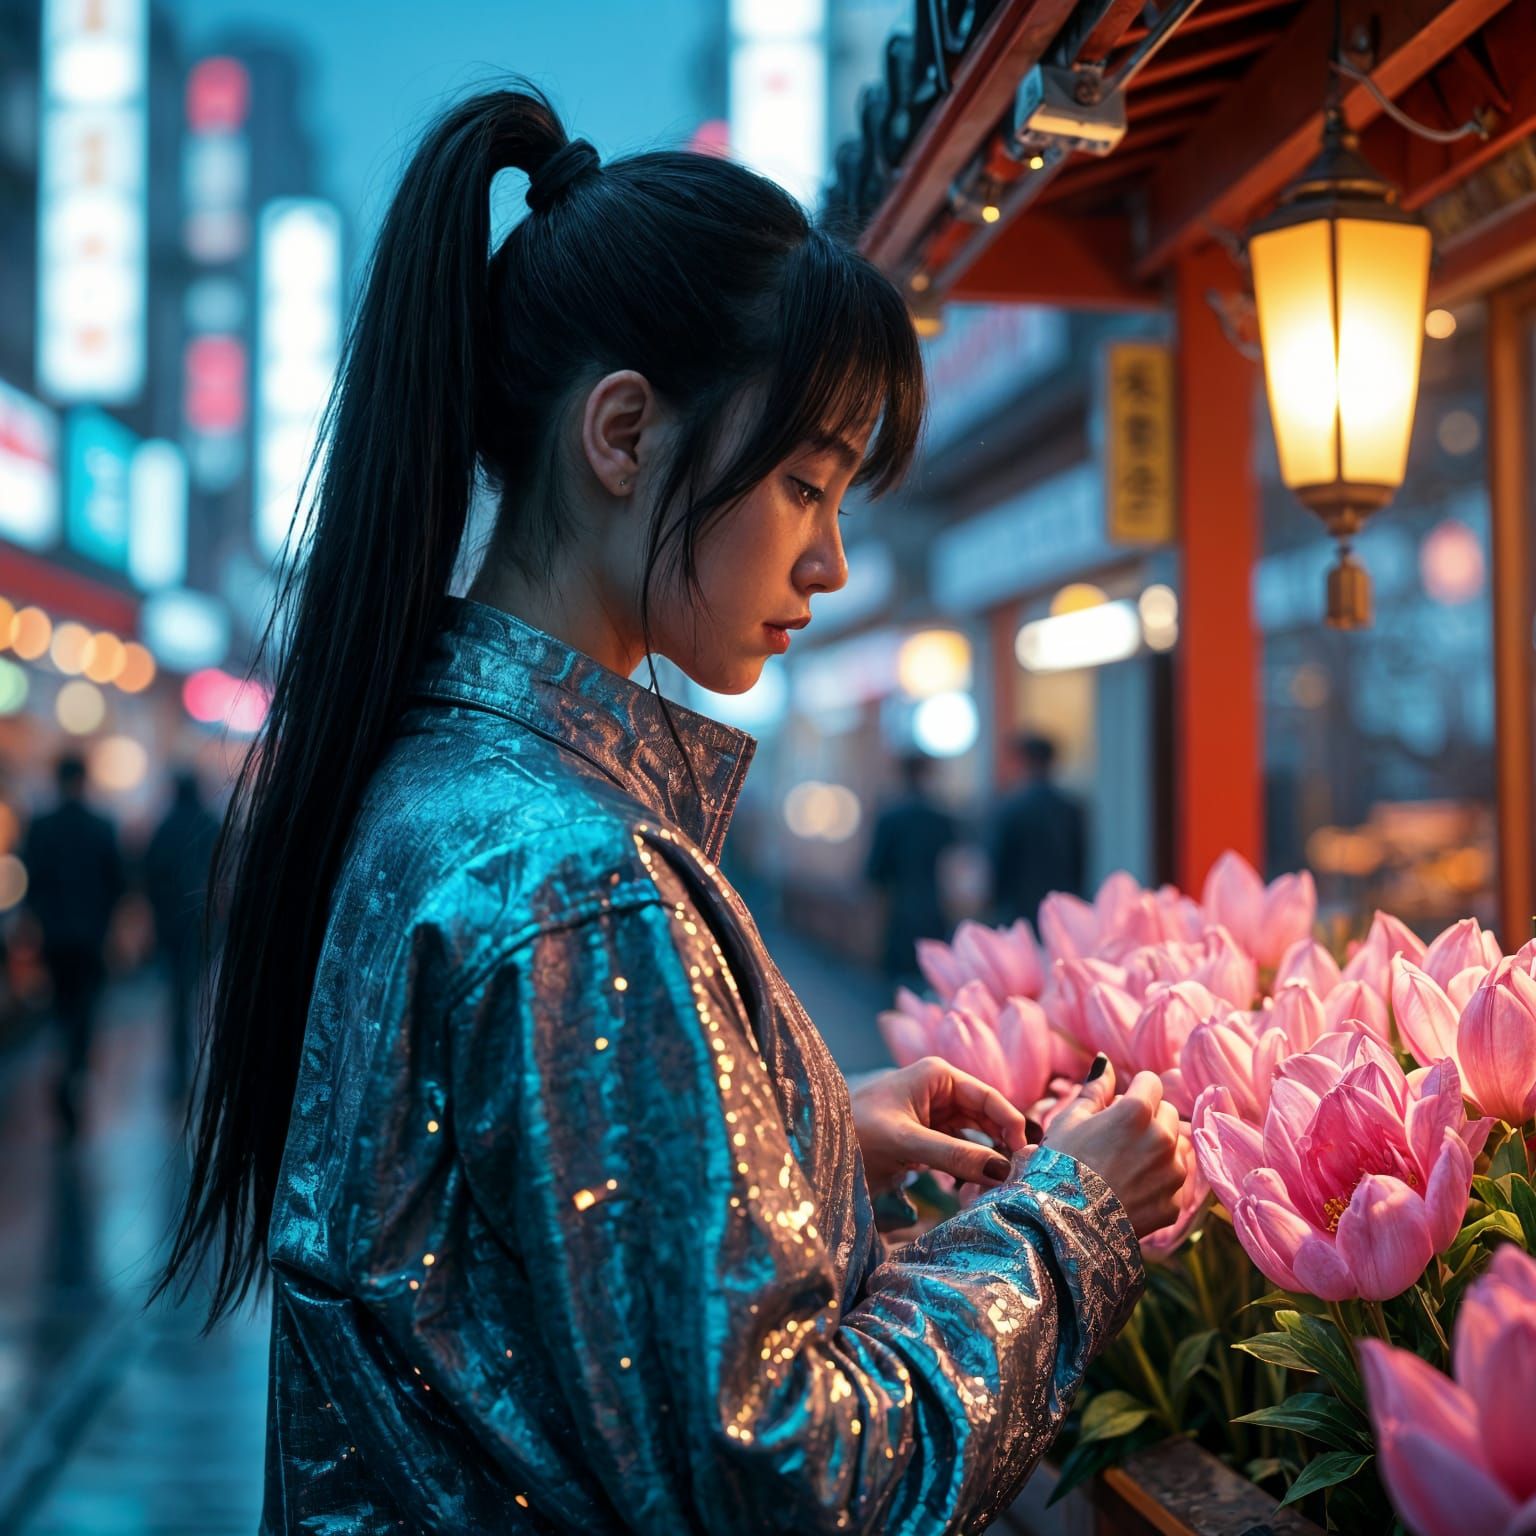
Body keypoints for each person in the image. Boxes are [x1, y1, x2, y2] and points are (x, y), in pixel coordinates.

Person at [156, 86, 1182, 1535]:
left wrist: (804, 1133)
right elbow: (789, 1484)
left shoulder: (439, 786)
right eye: (809, 481)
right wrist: (1067, 1224)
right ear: (624, 433)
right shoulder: (581, 878)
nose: (828, 559)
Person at [22, 754, 124, 1135]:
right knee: (86, 1010)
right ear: (84, 780)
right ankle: (74, 1071)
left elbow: (30, 881)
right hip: (90, 937)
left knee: (61, 1007)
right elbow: (118, 883)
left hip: (54, 937)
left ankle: (65, 1066)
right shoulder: (101, 827)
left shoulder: (41, 827)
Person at [143, 769, 221, 1101]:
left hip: (171, 926)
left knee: (177, 995)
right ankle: (202, 1060)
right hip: (205, 924)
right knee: (196, 992)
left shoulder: (164, 827)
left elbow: (148, 874)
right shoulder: (211, 824)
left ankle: (179, 1065)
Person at [865, 753, 955, 987]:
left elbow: (874, 872)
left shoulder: (890, 817)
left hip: (899, 913)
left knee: (898, 988)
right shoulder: (943, 819)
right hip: (936, 910)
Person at [990, 732, 1087, 928]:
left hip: (1018, 910)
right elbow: (1080, 863)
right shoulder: (1071, 808)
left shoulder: (1010, 807)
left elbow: (999, 864)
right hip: (1063, 909)